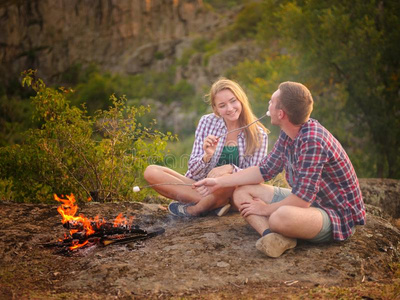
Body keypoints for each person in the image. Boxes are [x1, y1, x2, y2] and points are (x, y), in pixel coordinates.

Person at [194, 81, 365, 257]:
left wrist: (265, 209)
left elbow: (301, 201)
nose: (268, 104)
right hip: (309, 203)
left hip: (335, 214)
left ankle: (279, 227)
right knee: (242, 192)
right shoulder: (288, 133)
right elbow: (263, 170)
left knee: (279, 216)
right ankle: (271, 236)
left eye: (271, 102)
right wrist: (218, 182)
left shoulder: (312, 141)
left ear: (281, 114)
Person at [144, 78, 268, 217]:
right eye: (222, 105)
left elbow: (258, 176)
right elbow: (193, 170)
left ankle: (197, 208)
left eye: (233, 101)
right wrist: (207, 156)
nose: (230, 108)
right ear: (216, 109)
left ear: (241, 100)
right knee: (151, 171)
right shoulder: (207, 122)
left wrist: (230, 169)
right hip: (199, 188)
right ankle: (213, 205)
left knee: (228, 179)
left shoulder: (258, 134)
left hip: (232, 193)